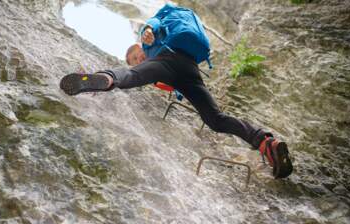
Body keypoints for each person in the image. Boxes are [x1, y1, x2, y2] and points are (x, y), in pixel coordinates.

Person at [60, 4, 293, 179]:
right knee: (216, 119)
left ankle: (105, 78)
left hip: (167, 62)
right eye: (133, 60)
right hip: (190, 70)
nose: (136, 59)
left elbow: (151, 25)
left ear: (141, 47)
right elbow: (166, 83)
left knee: (130, 76)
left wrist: (147, 31)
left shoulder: (152, 41)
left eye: (135, 56)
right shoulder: (163, 46)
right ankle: (265, 142)